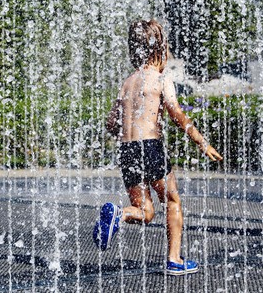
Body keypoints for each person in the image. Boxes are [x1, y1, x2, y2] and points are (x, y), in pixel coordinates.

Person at [93, 19, 223, 275]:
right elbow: (176, 113)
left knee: (145, 212)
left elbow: (111, 123)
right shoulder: (161, 79)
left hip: (127, 150)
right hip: (150, 147)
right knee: (172, 200)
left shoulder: (127, 82)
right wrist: (201, 140)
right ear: (159, 49)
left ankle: (119, 214)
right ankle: (174, 260)